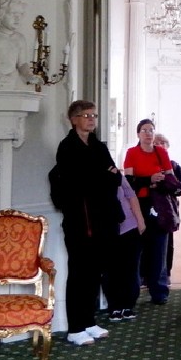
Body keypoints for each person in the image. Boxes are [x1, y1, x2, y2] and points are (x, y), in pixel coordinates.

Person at [48, 100, 121, 345]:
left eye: (94, 115)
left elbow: (116, 178)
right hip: (79, 221)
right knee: (79, 273)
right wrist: (102, 176)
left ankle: (89, 321)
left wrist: (100, 177)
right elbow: (78, 183)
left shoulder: (99, 146)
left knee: (94, 272)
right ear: (74, 119)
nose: (91, 119)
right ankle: (75, 327)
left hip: (102, 219)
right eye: (86, 115)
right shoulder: (67, 147)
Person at [123, 118, 181, 306]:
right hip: (138, 204)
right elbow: (129, 182)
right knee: (137, 248)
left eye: (151, 130)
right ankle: (134, 289)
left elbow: (170, 179)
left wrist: (157, 181)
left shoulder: (161, 152)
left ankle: (159, 291)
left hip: (159, 204)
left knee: (159, 248)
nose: (148, 133)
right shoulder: (132, 153)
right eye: (144, 130)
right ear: (138, 134)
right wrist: (149, 180)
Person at [106, 154, 145, 322]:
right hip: (108, 230)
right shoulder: (95, 178)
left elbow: (131, 196)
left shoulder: (118, 175)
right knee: (112, 270)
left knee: (131, 268)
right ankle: (115, 306)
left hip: (130, 226)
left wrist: (140, 221)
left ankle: (128, 305)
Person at [152, 132, 181, 277]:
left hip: (168, 210)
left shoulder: (174, 166)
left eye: (162, 143)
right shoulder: (146, 164)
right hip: (149, 208)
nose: (159, 145)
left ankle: (165, 273)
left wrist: (165, 183)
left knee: (167, 243)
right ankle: (145, 276)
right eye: (156, 143)